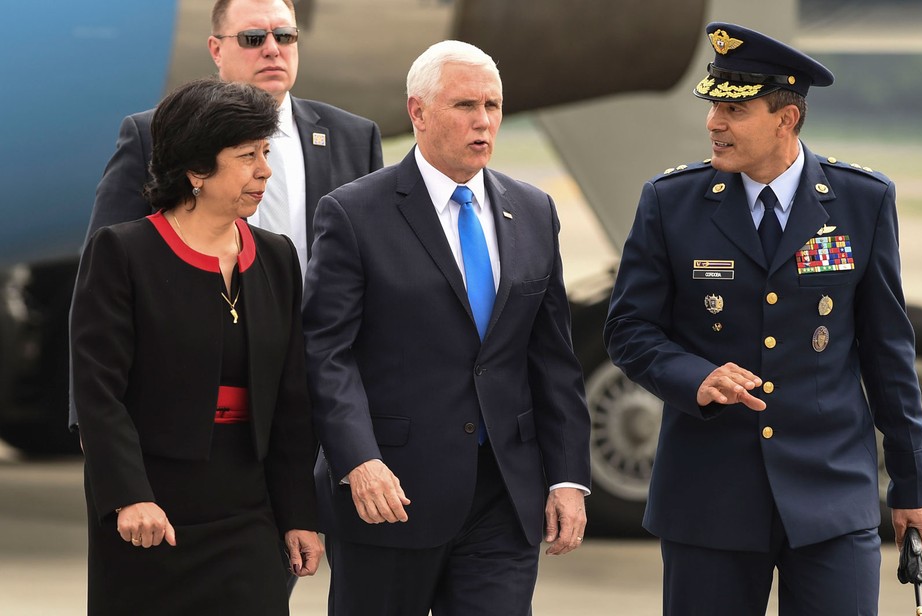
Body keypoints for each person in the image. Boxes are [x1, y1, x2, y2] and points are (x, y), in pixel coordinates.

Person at [604, 22, 922, 614]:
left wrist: (913, 486)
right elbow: (629, 329)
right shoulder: (670, 202)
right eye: (713, 106)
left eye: (734, 109)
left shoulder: (861, 201)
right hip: (710, 499)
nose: (714, 123)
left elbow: (888, 352)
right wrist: (693, 377)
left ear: (787, 118)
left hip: (831, 495)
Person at [302, 40, 592, 615]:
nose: (483, 121)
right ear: (418, 112)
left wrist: (567, 477)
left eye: (493, 105)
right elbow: (325, 352)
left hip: (504, 497)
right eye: (464, 105)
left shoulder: (535, 210)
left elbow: (552, 356)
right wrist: (357, 459)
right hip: (389, 493)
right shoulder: (354, 213)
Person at [71, 77, 322, 615]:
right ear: (196, 169)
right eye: (247, 156)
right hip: (151, 507)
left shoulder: (277, 258)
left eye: (266, 152)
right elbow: (98, 392)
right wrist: (128, 495)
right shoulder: (123, 253)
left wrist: (300, 512)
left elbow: (291, 400)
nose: (265, 171)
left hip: (248, 508)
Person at [84, 0, 383, 276]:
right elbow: (103, 268)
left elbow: (376, 264)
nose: (272, 49)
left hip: (321, 334)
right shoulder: (152, 134)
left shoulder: (355, 138)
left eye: (284, 36)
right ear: (216, 50)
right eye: (253, 38)